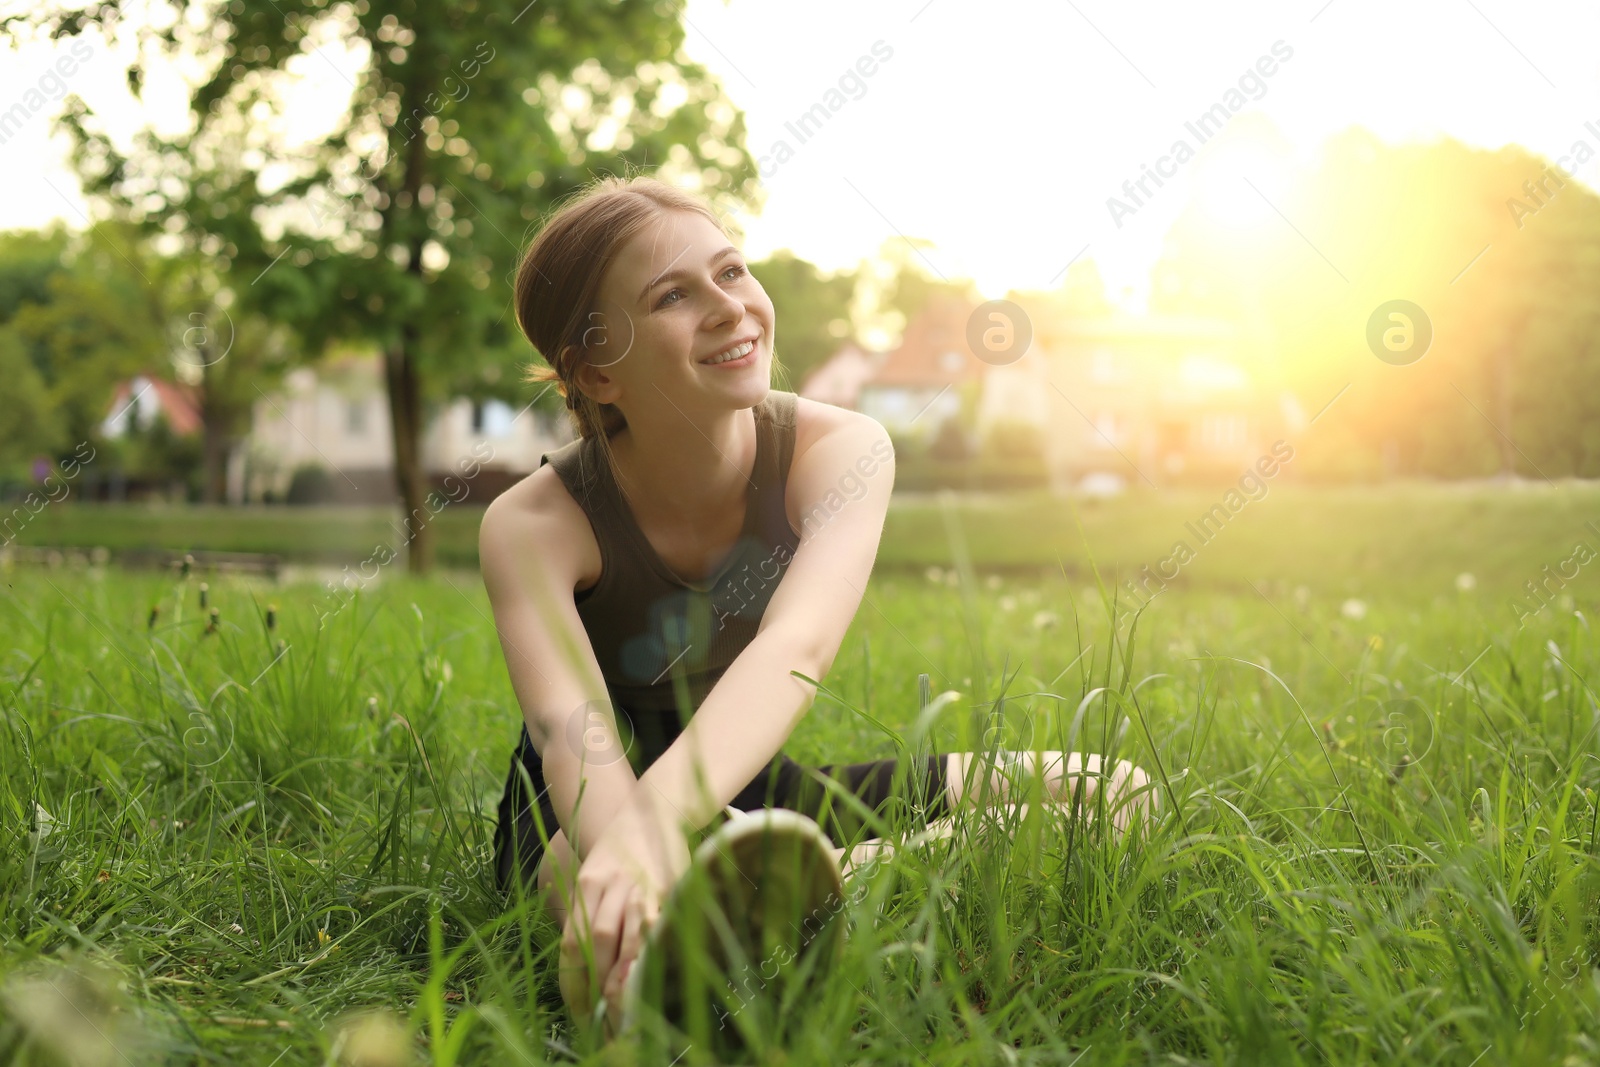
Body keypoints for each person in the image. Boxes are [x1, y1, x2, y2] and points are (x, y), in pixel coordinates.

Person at [478, 174, 1158, 1029]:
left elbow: (797, 646)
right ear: (597, 372)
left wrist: (694, 832)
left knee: (1115, 792)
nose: (729, 308)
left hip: (751, 786)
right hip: (591, 796)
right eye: (673, 296)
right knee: (578, 867)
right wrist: (637, 845)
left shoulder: (843, 449)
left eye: (731, 272)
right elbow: (568, 734)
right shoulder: (532, 524)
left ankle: (837, 872)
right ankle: (735, 910)